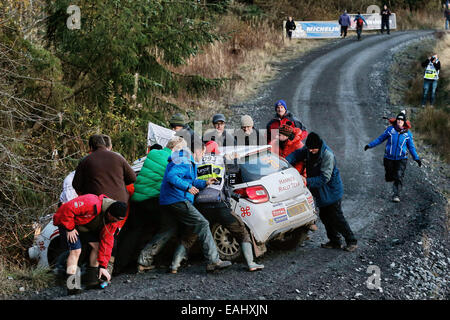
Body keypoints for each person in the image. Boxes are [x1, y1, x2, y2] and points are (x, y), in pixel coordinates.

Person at [176, 141, 264, 273]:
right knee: (241, 231)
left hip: (200, 205)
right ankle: (251, 263)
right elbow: (234, 171)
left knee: (190, 235)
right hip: (219, 204)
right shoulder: (222, 158)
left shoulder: (193, 162)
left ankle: (174, 265)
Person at [113, 137, 187, 274]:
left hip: (137, 199)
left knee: (133, 231)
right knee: (169, 226)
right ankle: (147, 259)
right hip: (153, 200)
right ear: (176, 149)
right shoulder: (174, 160)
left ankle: (117, 266)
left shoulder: (153, 154)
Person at [158, 140, 232, 272]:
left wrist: (205, 183)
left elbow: (190, 180)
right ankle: (213, 261)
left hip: (169, 200)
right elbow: (172, 176)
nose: (203, 155)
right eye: (203, 152)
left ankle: (147, 260)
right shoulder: (184, 158)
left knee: (171, 229)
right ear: (198, 150)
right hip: (177, 199)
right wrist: (188, 187)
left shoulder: (188, 161)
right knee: (202, 223)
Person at [286, 132, 358, 252]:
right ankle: (335, 241)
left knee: (336, 217)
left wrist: (306, 181)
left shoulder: (327, 155)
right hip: (321, 192)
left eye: (313, 149)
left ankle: (351, 241)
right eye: (309, 149)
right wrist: (284, 162)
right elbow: (297, 154)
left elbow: (324, 178)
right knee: (325, 216)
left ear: (318, 147)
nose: (310, 151)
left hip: (331, 191)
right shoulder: (309, 149)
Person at [53, 194, 127, 295]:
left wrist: (103, 266)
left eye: (119, 220)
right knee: (76, 250)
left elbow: (107, 243)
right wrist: (69, 228)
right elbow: (67, 208)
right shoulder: (91, 202)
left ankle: (91, 280)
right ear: (109, 214)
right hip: (67, 222)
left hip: (83, 227)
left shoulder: (112, 222)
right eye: (115, 220)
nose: (116, 222)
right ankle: (72, 286)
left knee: (97, 247)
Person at [364, 111, 421, 203]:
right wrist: (370, 145)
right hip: (388, 158)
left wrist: (416, 158)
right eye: (398, 120)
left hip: (401, 159)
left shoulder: (407, 134)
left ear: (404, 122)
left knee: (399, 175)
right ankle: (391, 177)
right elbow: (380, 139)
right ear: (396, 121)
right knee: (390, 176)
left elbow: (411, 147)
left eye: (401, 120)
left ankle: (396, 194)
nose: (399, 121)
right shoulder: (390, 130)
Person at [72, 134, 136, 203]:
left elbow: (76, 185)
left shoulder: (85, 161)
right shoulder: (118, 157)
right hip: (120, 204)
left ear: (90, 147)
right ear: (105, 144)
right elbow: (132, 178)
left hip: (97, 205)